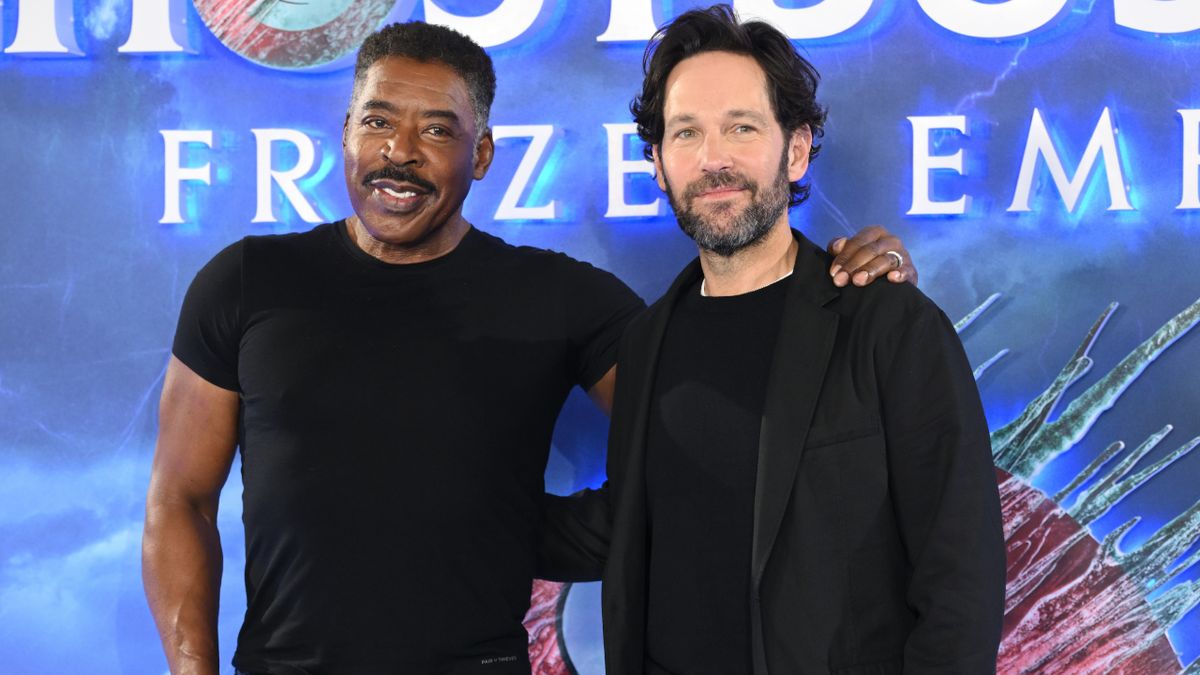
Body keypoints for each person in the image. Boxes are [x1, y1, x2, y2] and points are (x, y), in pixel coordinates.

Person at [141, 19, 917, 675]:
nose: (399, 151)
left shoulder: (557, 298)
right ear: (346, 133)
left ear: (480, 155)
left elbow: (719, 423)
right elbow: (179, 499)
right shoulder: (247, 282)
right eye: (378, 120)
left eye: (437, 129)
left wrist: (845, 298)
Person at [539, 6, 1006, 674]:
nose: (713, 159)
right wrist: (435, 505)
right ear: (658, 163)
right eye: (686, 133)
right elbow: (632, 520)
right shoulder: (646, 343)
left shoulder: (888, 327)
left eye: (741, 127)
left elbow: (960, 578)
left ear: (795, 148)